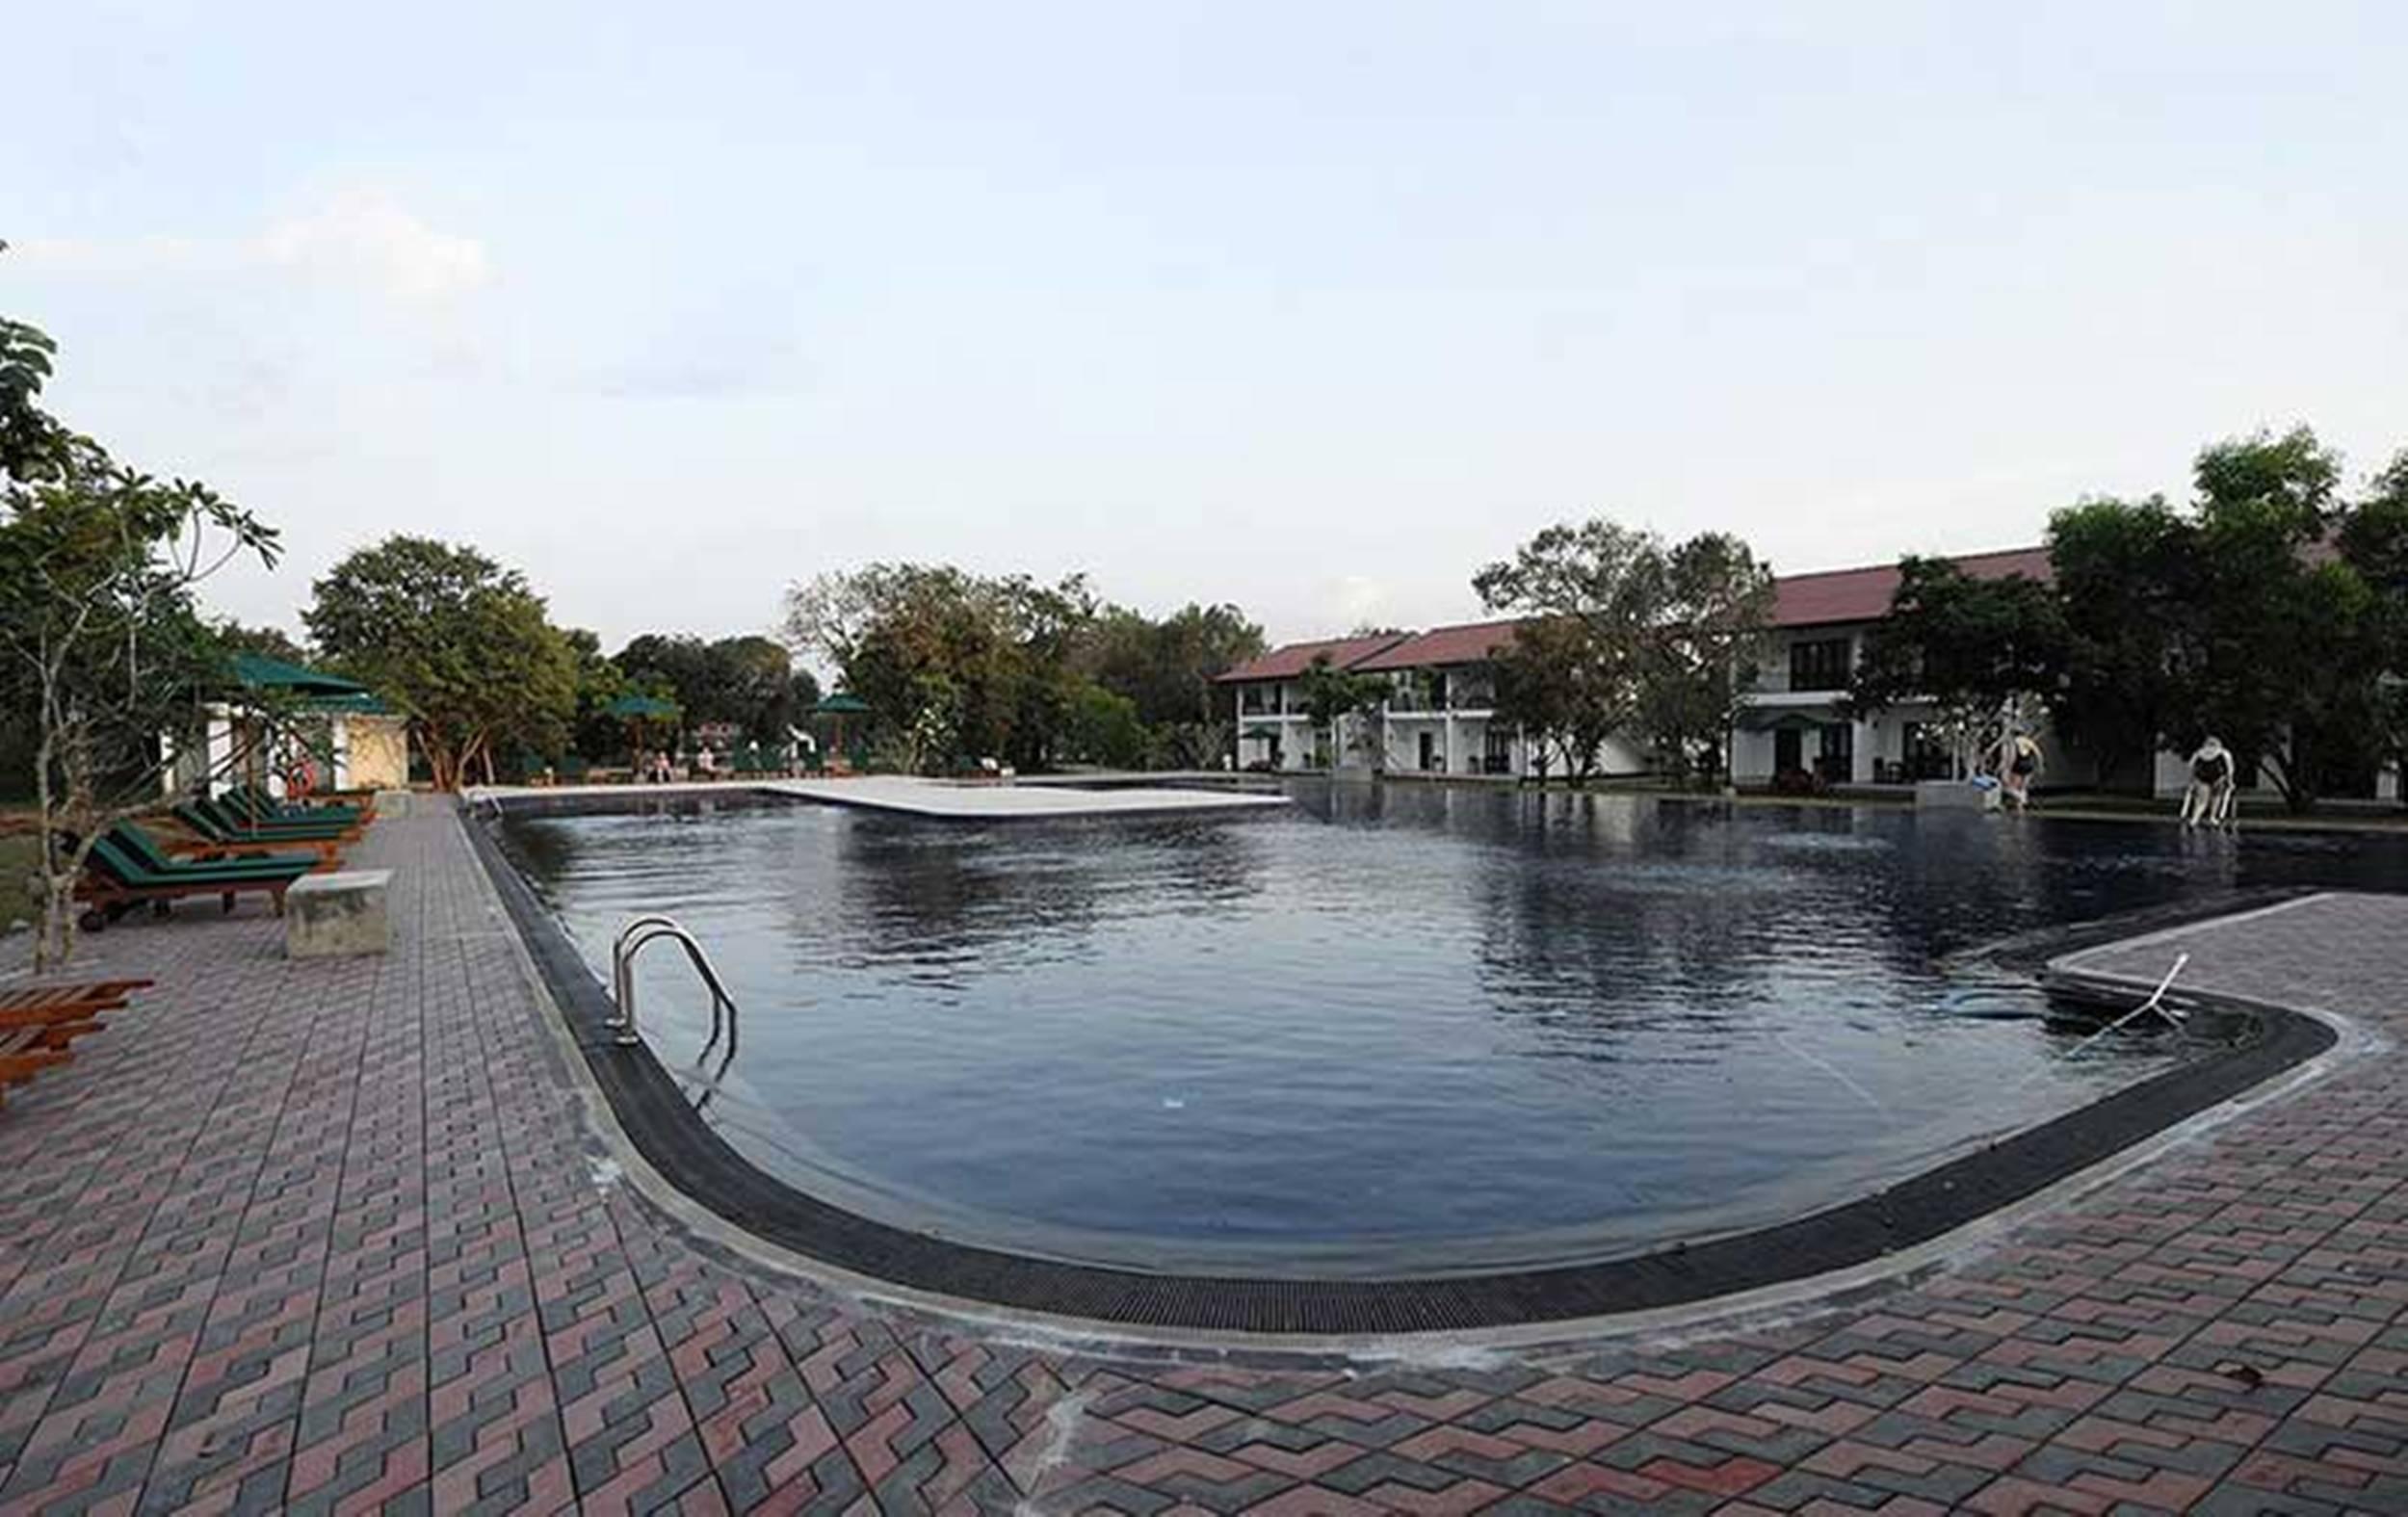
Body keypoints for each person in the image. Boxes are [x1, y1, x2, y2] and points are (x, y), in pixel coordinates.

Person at [2183, 736, 2236, 829]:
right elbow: (2230, 768)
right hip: (2218, 777)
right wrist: (2230, 780)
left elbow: (2191, 765)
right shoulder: (2223, 753)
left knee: (2203, 801)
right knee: (2216, 797)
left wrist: (2192, 780)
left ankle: (2195, 819)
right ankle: (2212, 817)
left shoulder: (2199, 753)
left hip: (2203, 778)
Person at [1990, 728, 2043, 811]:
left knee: (2013, 787)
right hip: (2028, 764)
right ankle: (2020, 806)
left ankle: (2021, 800)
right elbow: (2038, 753)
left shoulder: (2014, 742)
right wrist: (2040, 765)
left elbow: (2012, 755)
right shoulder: (2028, 741)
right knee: (2023, 787)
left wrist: (2007, 767)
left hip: (2018, 764)